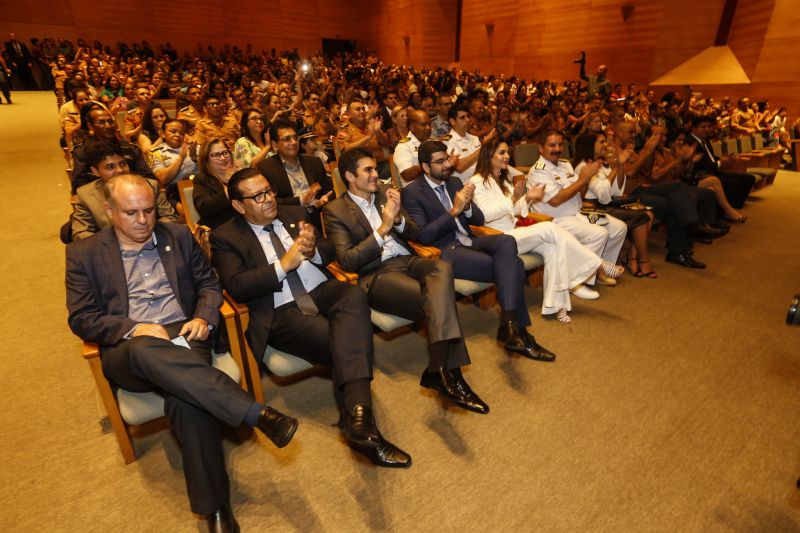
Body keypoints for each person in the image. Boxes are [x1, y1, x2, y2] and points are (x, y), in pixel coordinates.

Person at [66, 174, 298, 532]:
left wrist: (205, 317)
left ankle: (216, 508)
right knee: (146, 348)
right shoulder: (84, 253)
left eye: (148, 211)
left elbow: (208, 283)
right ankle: (254, 412)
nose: (143, 221)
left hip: (185, 335)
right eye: (131, 213)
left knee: (187, 401)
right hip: (130, 348)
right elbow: (82, 318)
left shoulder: (175, 235)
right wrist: (132, 328)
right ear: (110, 210)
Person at [210, 168, 411, 468]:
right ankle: (362, 423)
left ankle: (357, 422)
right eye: (258, 196)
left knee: (353, 296)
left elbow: (330, 252)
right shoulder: (225, 236)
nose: (268, 200)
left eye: (269, 191)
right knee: (345, 340)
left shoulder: (293, 212)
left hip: (322, 290)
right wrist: (283, 265)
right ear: (239, 205)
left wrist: (314, 249)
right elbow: (237, 286)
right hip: (281, 311)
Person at [323, 148, 489, 412]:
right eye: (368, 170)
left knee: (442, 271)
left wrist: (398, 219)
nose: (376, 174)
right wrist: (382, 229)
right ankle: (451, 375)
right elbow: (348, 260)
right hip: (376, 274)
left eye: (376, 168)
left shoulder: (383, 195)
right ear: (349, 176)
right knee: (437, 297)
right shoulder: (335, 210)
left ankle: (439, 370)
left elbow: (416, 232)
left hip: (408, 259)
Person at [402, 140, 556, 362]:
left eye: (447, 158)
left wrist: (466, 208)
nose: (447, 164)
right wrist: (454, 211)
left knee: (505, 242)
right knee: (516, 266)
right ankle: (518, 332)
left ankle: (510, 328)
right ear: (425, 167)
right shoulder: (412, 192)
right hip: (446, 251)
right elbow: (424, 235)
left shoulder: (454, 181)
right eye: (440, 162)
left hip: (470, 240)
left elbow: (479, 219)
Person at [470, 138, 607, 324]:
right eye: (501, 153)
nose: (507, 156)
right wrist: (516, 199)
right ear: (488, 156)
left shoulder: (504, 179)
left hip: (514, 232)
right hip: (498, 239)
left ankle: (557, 306)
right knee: (551, 228)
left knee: (553, 247)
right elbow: (487, 215)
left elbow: (515, 212)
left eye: (507, 152)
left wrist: (526, 199)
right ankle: (597, 264)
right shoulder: (477, 181)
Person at [527, 131, 627, 286]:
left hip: (577, 213)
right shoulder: (538, 170)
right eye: (552, 145)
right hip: (555, 219)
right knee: (599, 234)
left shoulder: (565, 164)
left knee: (619, 228)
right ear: (541, 148)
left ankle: (598, 271)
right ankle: (577, 280)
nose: (557, 148)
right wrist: (583, 179)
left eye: (560, 144)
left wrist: (586, 178)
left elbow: (579, 193)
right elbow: (555, 200)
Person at [571, 132, 657, 278]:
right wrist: (616, 168)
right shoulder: (583, 167)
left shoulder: (600, 163)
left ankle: (632, 257)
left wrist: (619, 165)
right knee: (642, 217)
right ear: (590, 146)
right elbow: (603, 195)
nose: (606, 145)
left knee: (649, 213)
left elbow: (617, 190)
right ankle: (643, 261)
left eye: (605, 142)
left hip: (607, 203)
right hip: (593, 208)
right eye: (601, 142)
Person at [71, 141, 179, 241]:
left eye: (123, 164)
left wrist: (149, 235)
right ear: (96, 171)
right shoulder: (85, 195)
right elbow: (80, 233)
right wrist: (117, 243)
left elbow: (170, 218)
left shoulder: (150, 185)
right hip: (111, 252)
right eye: (110, 167)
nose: (120, 170)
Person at [257, 118, 334, 231]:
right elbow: (270, 201)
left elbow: (329, 190)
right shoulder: (266, 168)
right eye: (286, 139)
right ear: (275, 144)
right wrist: (301, 200)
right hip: (288, 222)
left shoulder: (314, 162)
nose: (293, 142)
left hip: (319, 217)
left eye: (295, 137)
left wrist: (324, 198)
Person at [149, 118, 199, 206]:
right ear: (163, 134)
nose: (177, 135)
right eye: (173, 131)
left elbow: (209, 171)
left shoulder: (194, 148)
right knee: (186, 212)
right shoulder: (156, 153)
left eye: (181, 133)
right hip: (174, 192)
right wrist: (181, 158)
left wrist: (195, 159)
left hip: (199, 186)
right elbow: (164, 179)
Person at [443, 104, 496, 183]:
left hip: (481, 179)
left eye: (468, 116)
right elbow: (459, 167)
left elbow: (484, 160)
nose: (467, 120)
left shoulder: (474, 138)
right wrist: (483, 146)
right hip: (464, 185)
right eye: (462, 118)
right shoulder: (448, 140)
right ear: (452, 121)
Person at [193, 139, 237, 229]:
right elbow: (205, 208)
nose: (223, 158)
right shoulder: (201, 179)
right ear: (206, 160)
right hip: (219, 228)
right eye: (216, 155)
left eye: (225, 152)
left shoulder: (240, 174)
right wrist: (229, 186)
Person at [393, 110, 433, 186]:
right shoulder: (403, 146)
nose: (428, 128)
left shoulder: (433, 142)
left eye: (429, 124)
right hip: (416, 190)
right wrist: (431, 164)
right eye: (423, 125)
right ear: (411, 127)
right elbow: (407, 175)